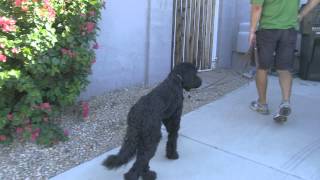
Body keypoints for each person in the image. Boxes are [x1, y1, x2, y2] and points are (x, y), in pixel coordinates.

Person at [249, 0, 320, 122]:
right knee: (284, 68)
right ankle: (285, 102)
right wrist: (301, 14)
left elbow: (256, 8)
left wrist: (252, 31)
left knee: (262, 68)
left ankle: (262, 104)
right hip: (289, 30)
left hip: (267, 30)